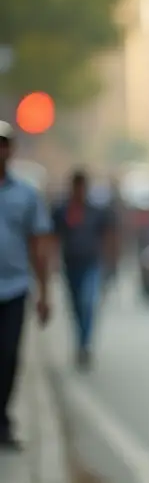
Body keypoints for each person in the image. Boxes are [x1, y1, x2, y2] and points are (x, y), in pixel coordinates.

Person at [0, 120, 52, 448]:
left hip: (14, 288)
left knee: (7, 356)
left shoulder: (26, 194)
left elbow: (38, 243)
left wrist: (44, 292)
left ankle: (2, 418)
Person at [52, 169, 117, 369]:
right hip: (70, 263)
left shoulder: (96, 211)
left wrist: (110, 260)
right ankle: (80, 339)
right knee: (76, 305)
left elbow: (108, 235)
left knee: (88, 302)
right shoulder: (62, 210)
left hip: (92, 263)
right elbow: (53, 237)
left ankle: (84, 344)